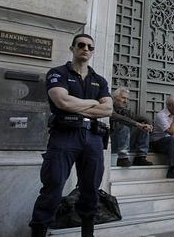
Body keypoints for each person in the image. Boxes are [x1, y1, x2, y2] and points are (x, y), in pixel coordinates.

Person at [30, 34, 113, 237]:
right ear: (72, 48)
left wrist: (76, 104)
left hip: (92, 138)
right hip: (64, 135)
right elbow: (62, 103)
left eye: (90, 47)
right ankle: (39, 232)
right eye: (81, 45)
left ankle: (88, 233)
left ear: (92, 52)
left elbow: (108, 110)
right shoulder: (57, 73)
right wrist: (93, 103)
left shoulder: (99, 80)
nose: (85, 49)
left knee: (91, 188)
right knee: (54, 186)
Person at [110, 87, 153, 167]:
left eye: (127, 99)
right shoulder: (109, 107)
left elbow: (143, 118)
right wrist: (137, 124)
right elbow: (118, 117)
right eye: (123, 98)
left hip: (126, 144)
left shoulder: (125, 111)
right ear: (115, 98)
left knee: (144, 128)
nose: (125, 101)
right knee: (124, 126)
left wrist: (148, 125)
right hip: (110, 144)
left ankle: (140, 157)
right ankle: (122, 158)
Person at [152, 94, 174, 178]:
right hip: (159, 143)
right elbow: (172, 132)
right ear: (169, 105)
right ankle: (173, 169)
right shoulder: (161, 115)